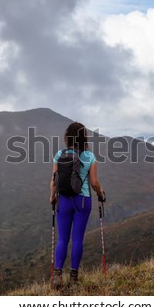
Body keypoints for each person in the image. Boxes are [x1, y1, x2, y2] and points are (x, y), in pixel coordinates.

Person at [50, 122, 105, 288]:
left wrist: (52, 196)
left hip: (64, 199)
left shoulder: (59, 155)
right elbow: (94, 182)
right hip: (82, 201)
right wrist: (101, 193)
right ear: (83, 137)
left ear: (68, 137)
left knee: (62, 239)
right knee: (77, 239)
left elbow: (54, 180)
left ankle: (57, 276)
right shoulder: (89, 157)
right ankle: (74, 277)